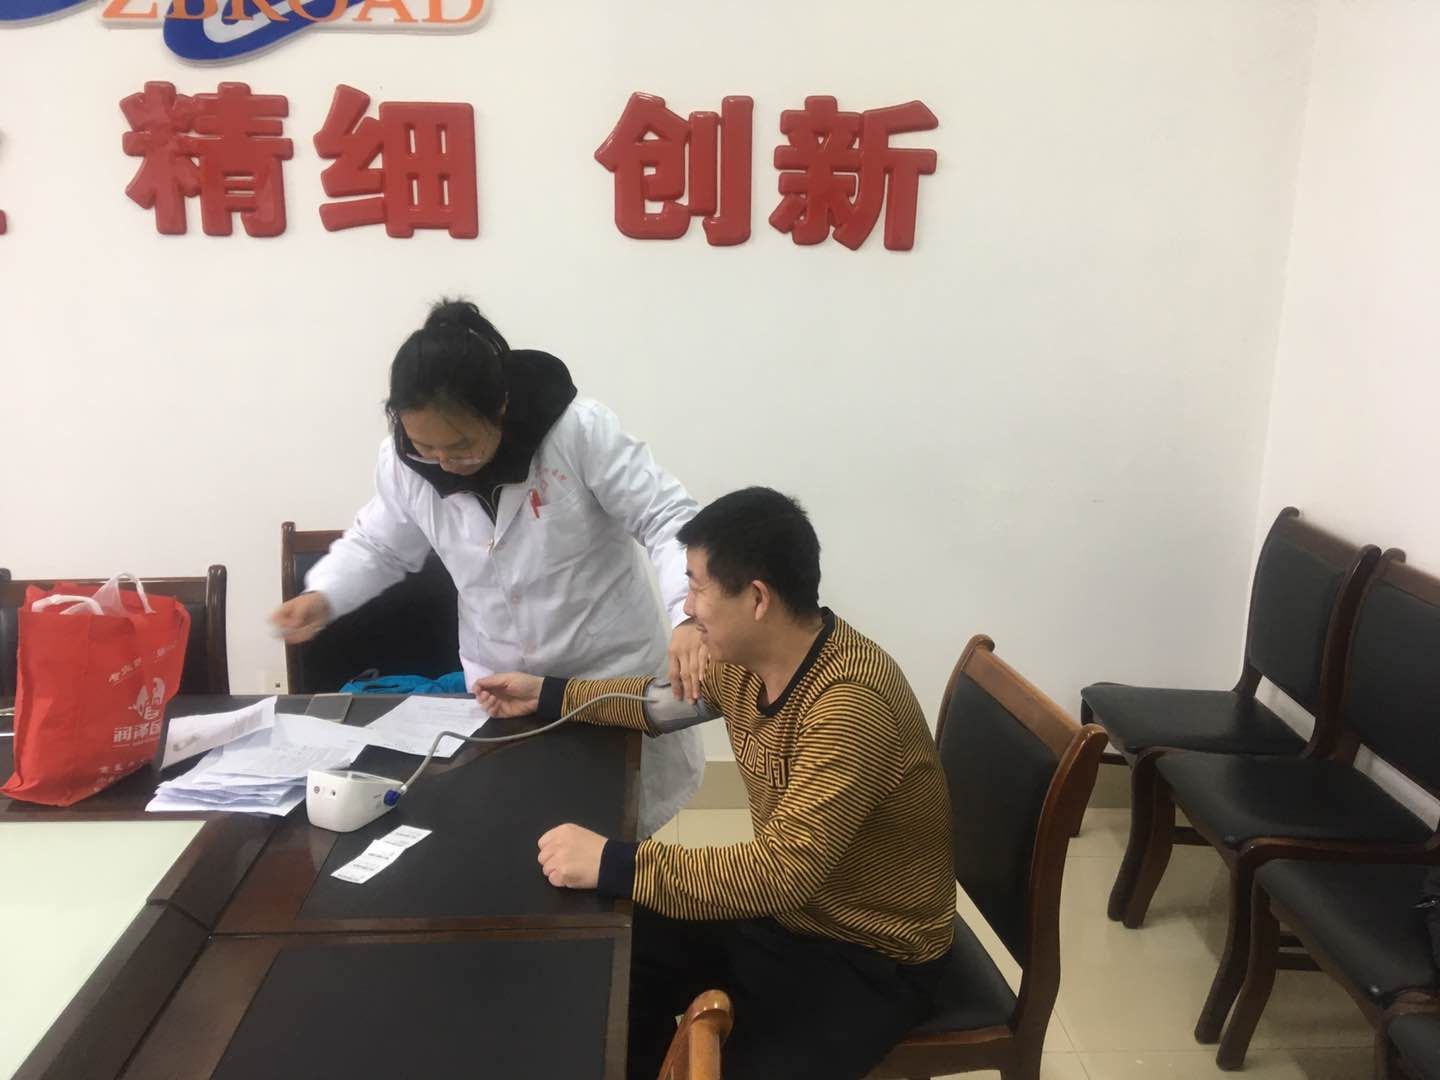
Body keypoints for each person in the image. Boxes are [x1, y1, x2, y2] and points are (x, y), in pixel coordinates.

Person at [474, 487, 956, 1080]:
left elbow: (779, 873)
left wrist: (614, 861)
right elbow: (657, 704)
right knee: (612, 963)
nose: (688, 606)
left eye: (698, 587)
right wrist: (547, 694)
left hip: (867, 953)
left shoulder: (849, 707)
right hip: (790, 918)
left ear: (757, 598)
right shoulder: (751, 662)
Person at [271, 299, 706, 836]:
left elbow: (667, 518)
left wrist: (689, 616)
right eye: (425, 446)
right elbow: (380, 545)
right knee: (514, 829)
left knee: (612, 835)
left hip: (606, 679)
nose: (444, 463)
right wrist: (324, 595)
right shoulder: (404, 462)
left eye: (460, 446)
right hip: (503, 688)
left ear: (500, 407)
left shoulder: (577, 433)